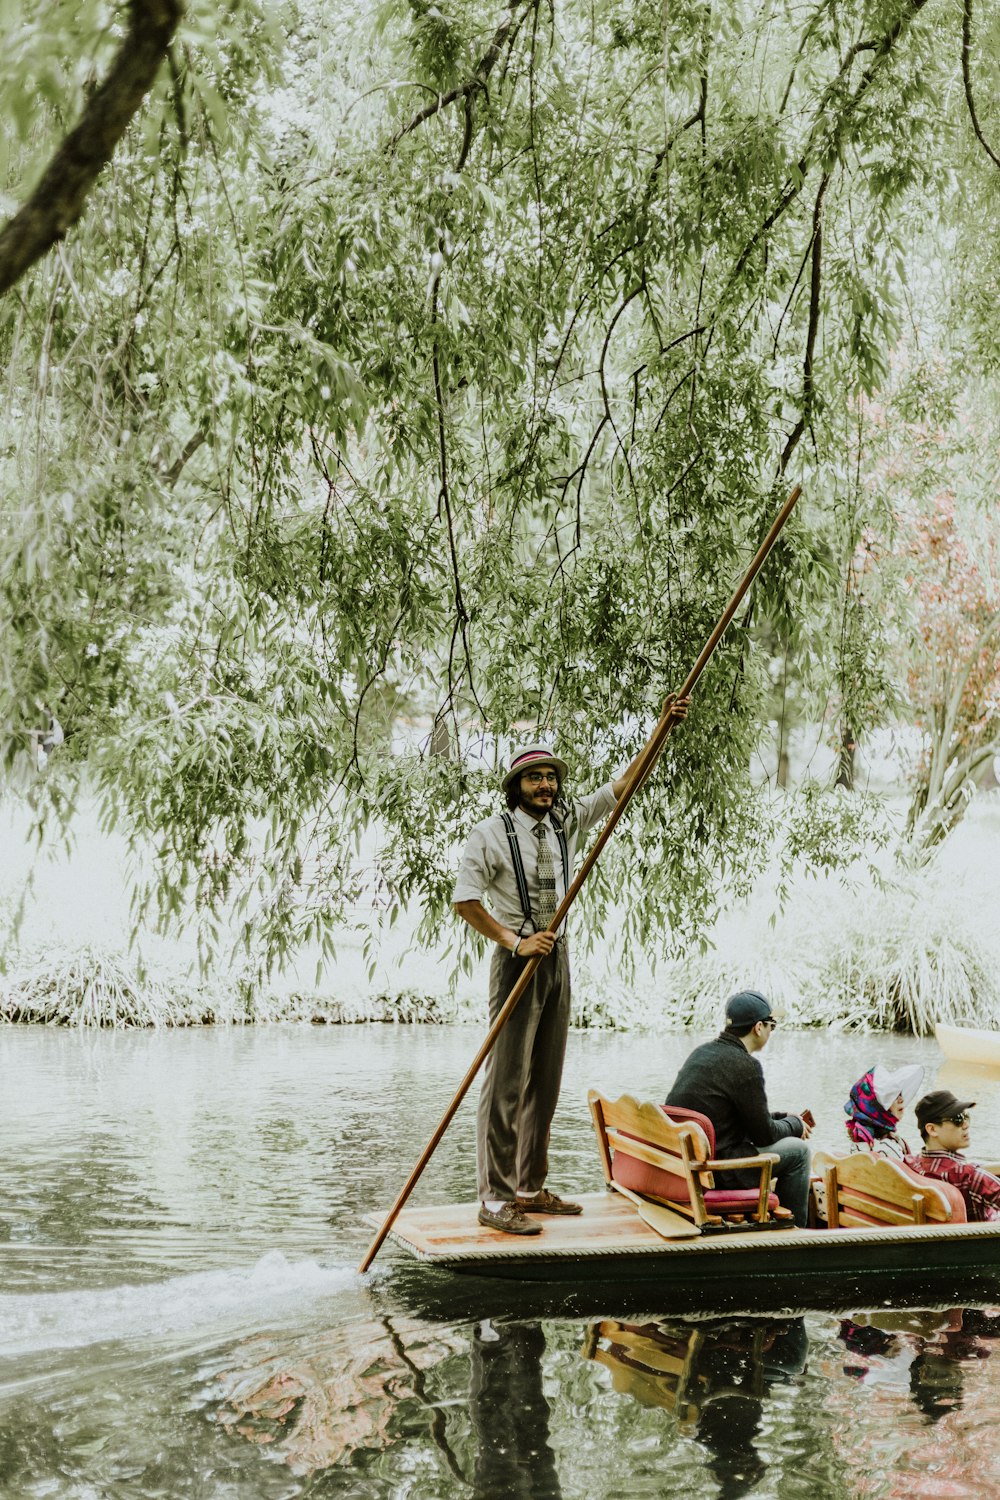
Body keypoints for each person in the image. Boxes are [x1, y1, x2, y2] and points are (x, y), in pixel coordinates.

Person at [453, 702, 688, 1235]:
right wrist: (514, 942)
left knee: (547, 1079)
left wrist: (662, 725)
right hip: (517, 962)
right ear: (517, 785)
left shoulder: (564, 821)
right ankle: (494, 1200)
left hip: (558, 956)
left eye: (551, 777)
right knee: (506, 1081)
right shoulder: (489, 834)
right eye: (535, 778)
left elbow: (624, 784)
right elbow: (465, 901)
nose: (546, 786)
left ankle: (530, 1187)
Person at [663, 990, 814, 1227]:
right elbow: (764, 1134)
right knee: (798, 1152)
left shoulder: (703, 1053)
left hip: (691, 1163)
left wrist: (784, 1117)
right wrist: (795, 1125)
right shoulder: (745, 1066)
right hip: (721, 1171)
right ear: (758, 1027)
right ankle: (795, 1231)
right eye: (772, 1026)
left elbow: (735, 1116)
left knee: (789, 1141)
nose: (771, 1031)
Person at [904, 1090, 1000, 1222]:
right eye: (957, 1120)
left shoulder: (908, 1165)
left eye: (966, 1116)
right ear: (932, 1129)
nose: (966, 1125)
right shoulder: (970, 1177)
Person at [844, 1063, 924, 1161]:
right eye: (892, 1097)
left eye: (900, 1094)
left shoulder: (857, 1145)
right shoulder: (887, 1148)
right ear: (875, 1108)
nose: (901, 1100)